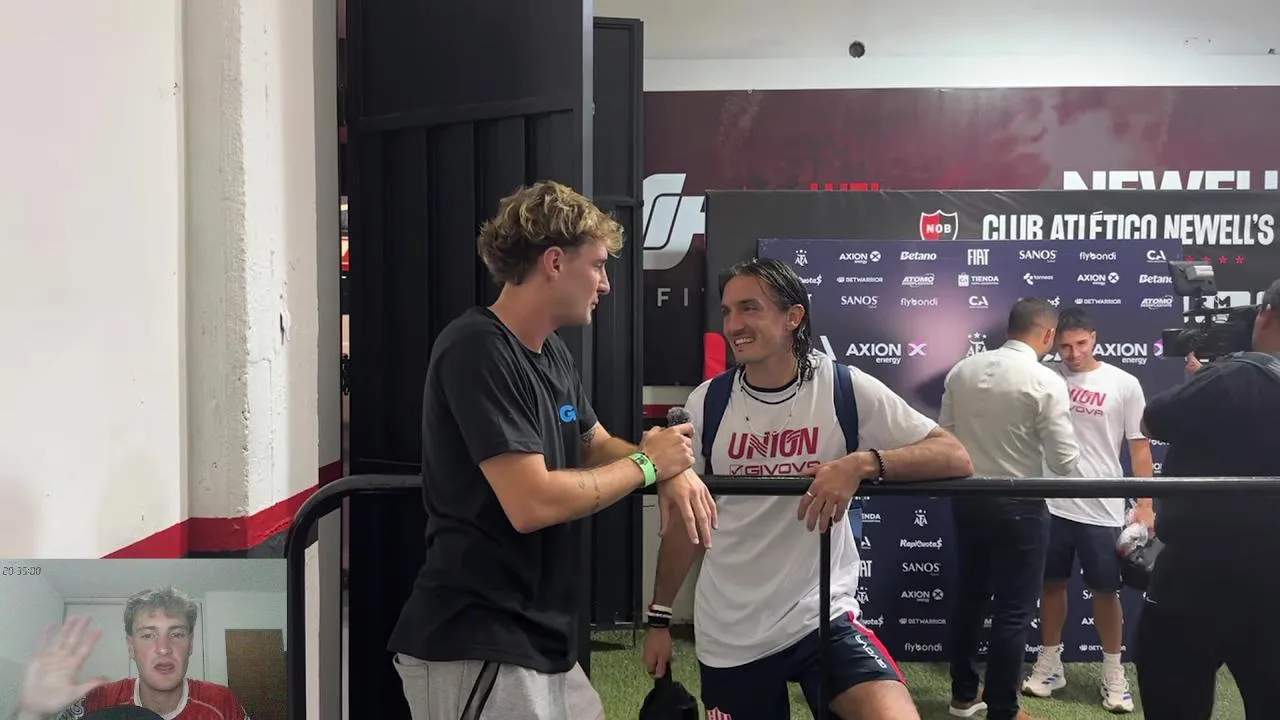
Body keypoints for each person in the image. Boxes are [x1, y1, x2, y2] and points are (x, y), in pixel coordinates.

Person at [385, 181, 717, 720]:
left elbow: (595, 444)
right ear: (555, 262)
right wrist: (649, 463)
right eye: (598, 265)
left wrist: (669, 469)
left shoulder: (552, 354)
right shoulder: (477, 348)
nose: (606, 284)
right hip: (478, 637)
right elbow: (531, 502)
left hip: (542, 637)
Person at [640, 258, 974, 720]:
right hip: (734, 630)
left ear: (793, 317)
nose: (734, 325)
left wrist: (863, 463)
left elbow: (954, 455)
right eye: (728, 311)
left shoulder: (844, 387)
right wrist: (659, 618)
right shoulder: (708, 401)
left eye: (750, 308)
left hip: (822, 615)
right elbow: (687, 524)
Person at [1135, 278, 1280, 719]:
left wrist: (1205, 382)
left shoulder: (1236, 376)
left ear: (1266, 315)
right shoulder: (1235, 377)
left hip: (1199, 575)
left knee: (1174, 698)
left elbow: (1152, 420)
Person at [939, 297, 1080, 720]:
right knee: (1014, 610)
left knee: (969, 599)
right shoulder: (1045, 380)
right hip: (1021, 504)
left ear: (1010, 327)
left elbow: (944, 438)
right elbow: (1064, 462)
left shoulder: (962, 370)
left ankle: (963, 696)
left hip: (968, 498)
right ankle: (1003, 708)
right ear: (1048, 334)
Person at [1021, 308, 1151, 713]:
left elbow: (1139, 447)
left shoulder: (1124, 383)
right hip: (1051, 502)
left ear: (1094, 338)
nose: (1074, 353)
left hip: (1102, 507)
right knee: (1051, 585)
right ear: (1052, 342)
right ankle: (1050, 664)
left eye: (1081, 344)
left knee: (1105, 591)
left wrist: (1146, 504)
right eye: (1064, 346)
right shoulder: (1043, 376)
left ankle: (1113, 672)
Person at [15, 589, 250, 720]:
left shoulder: (222, 701)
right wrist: (32, 713)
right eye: (148, 635)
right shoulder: (97, 701)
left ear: (190, 645)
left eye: (176, 634)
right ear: (131, 647)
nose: (163, 648)